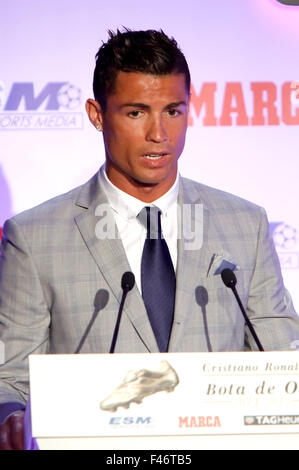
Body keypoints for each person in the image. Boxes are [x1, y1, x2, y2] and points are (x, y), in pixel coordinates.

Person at [0, 28, 299, 450]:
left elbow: (282, 360)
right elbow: (10, 377)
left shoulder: (244, 224)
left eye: (173, 111)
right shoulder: (34, 237)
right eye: (136, 113)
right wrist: (11, 418)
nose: (160, 134)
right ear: (97, 114)